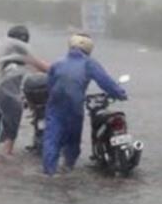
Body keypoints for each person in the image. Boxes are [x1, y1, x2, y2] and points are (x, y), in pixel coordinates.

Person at [42, 32, 126, 175]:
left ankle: (49, 173)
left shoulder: (57, 63)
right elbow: (105, 82)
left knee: (51, 139)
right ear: (89, 48)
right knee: (73, 140)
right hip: (74, 107)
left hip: (55, 106)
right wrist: (120, 94)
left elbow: (49, 85)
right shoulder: (89, 63)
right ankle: (68, 169)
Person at [0, 25, 50, 153]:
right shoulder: (23, 54)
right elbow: (45, 68)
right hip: (9, 96)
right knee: (10, 134)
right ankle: (7, 162)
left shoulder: (2, 53)